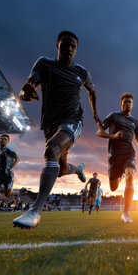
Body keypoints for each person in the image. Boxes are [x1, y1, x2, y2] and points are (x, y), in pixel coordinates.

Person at [13, 31, 102, 229]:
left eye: (73, 46)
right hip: (50, 124)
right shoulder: (45, 64)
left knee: (51, 149)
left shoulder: (82, 72)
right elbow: (29, 84)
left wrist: (95, 114)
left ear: (76, 49)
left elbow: (92, 91)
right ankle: (77, 169)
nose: (69, 48)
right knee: (60, 169)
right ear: (57, 45)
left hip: (72, 120)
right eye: (65, 44)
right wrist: (25, 91)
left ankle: (35, 211)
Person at [97, 93, 138, 223]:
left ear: (132, 104)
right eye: (125, 102)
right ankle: (120, 174)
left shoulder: (135, 122)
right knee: (113, 187)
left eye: (130, 102)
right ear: (120, 103)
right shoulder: (113, 116)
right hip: (114, 156)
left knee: (130, 175)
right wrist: (113, 136)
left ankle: (125, 212)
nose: (128, 104)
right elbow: (99, 132)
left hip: (129, 153)